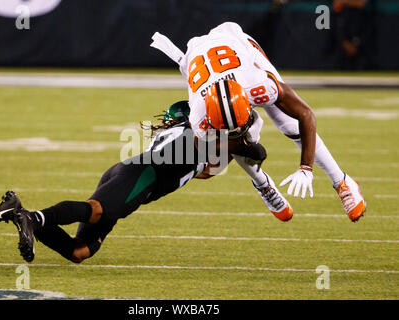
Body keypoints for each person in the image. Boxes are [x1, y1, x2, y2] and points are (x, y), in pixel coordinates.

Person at [0, 101, 270, 263]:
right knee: (95, 209)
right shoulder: (193, 136)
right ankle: (33, 218)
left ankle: (19, 211)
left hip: (132, 175)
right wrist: (249, 128)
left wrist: (233, 144)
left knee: (80, 251)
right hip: (141, 174)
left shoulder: (198, 145)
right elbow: (256, 152)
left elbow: (205, 170)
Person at [150, 22, 366, 222]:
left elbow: (305, 114)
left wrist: (305, 168)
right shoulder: (199, 115)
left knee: (288, 123)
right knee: (235, 139)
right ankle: (263, 185)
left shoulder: (257, 84)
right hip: (197, 61)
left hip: (237, 45)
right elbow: (211, 167)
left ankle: (342, 181)